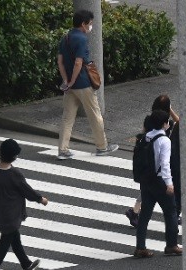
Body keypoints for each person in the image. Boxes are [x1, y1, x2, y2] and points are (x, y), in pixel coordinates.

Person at [56, 9, 119, 161]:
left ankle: (63, 150)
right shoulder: (82, 39)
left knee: (67, 118)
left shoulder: (66, 38)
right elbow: (79, 63)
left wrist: (66, 81)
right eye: (90, 24)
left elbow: (60, 61)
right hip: (83, 84)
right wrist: (73, 81)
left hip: (70, 88)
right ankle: (102, 147)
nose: (91, 27)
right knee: (95, 115)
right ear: (83, 24)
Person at [0, 139, 47, 270]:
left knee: (14, 238)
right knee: (6, 241)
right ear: (15, 157)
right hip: (12, 214)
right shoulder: (14, 174)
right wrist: (40, 199)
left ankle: (27, 264)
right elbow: (27, 191)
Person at [126, 95, 180, 227]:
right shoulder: (167, 123)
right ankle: (172, 214)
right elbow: (180, 122)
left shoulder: (149, 120)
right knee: (155, 189)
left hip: (147, 159)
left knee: (148, 188)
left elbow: (143, 134)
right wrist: (171, 110)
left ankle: (135, 211)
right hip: (159, 161)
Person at [134, 110, 182, 258]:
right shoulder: (164, 140)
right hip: (160, 181)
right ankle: (171, 245)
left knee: (145, 214)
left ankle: (140, 247)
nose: (168, 123)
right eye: (167, 121)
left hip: (146, 180)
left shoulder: (145, 137)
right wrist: (169, 183)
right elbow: (164, 164)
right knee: (171, 212)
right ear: (163, 124)